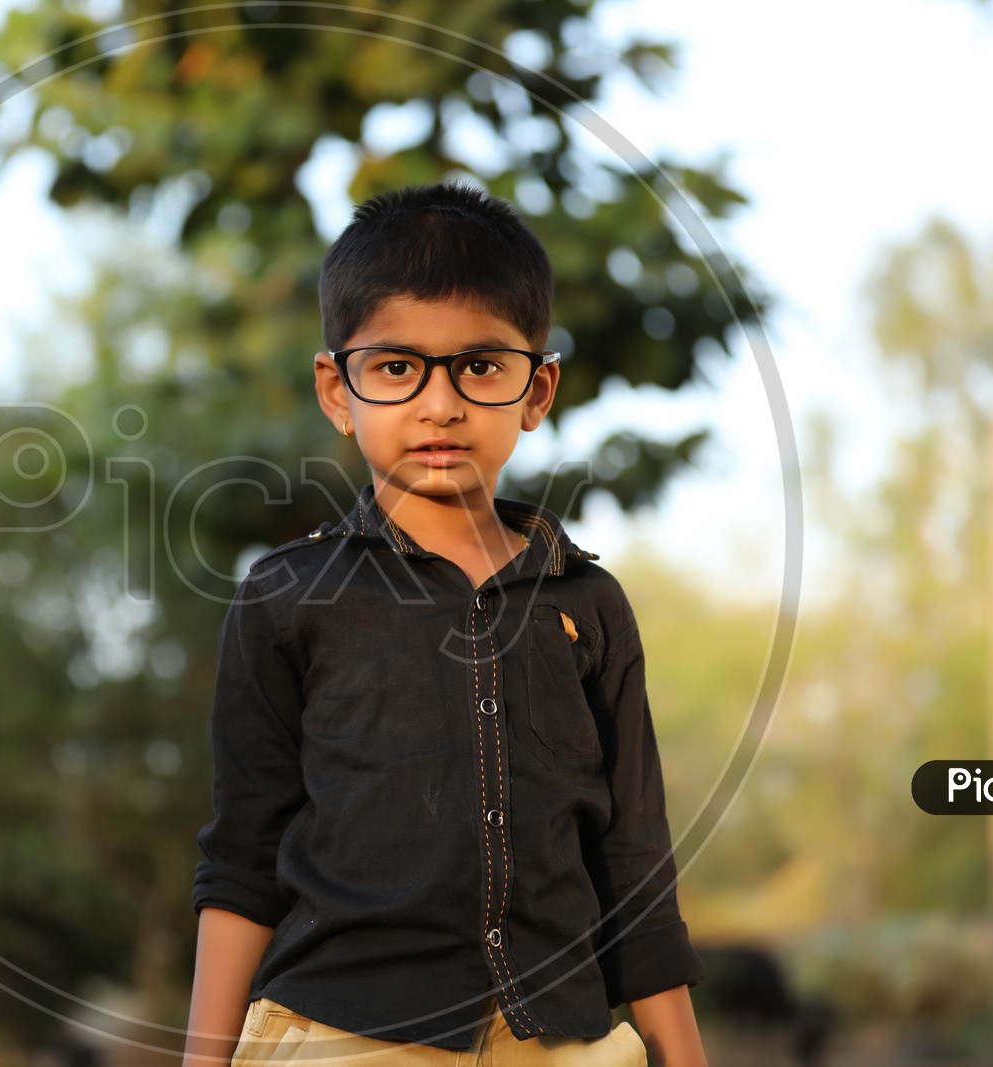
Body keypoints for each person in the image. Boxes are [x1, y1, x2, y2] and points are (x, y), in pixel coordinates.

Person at [182, 182, 708, 1066]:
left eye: (480, 366)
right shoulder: (287, 595)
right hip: (343, 1036)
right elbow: (242, 858)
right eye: (395, 367)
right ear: (337, 388)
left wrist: (681, 1054)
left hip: (562, 1036)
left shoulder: (588, 604)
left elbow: (633, 863)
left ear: (536, 389)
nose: (439, 404)